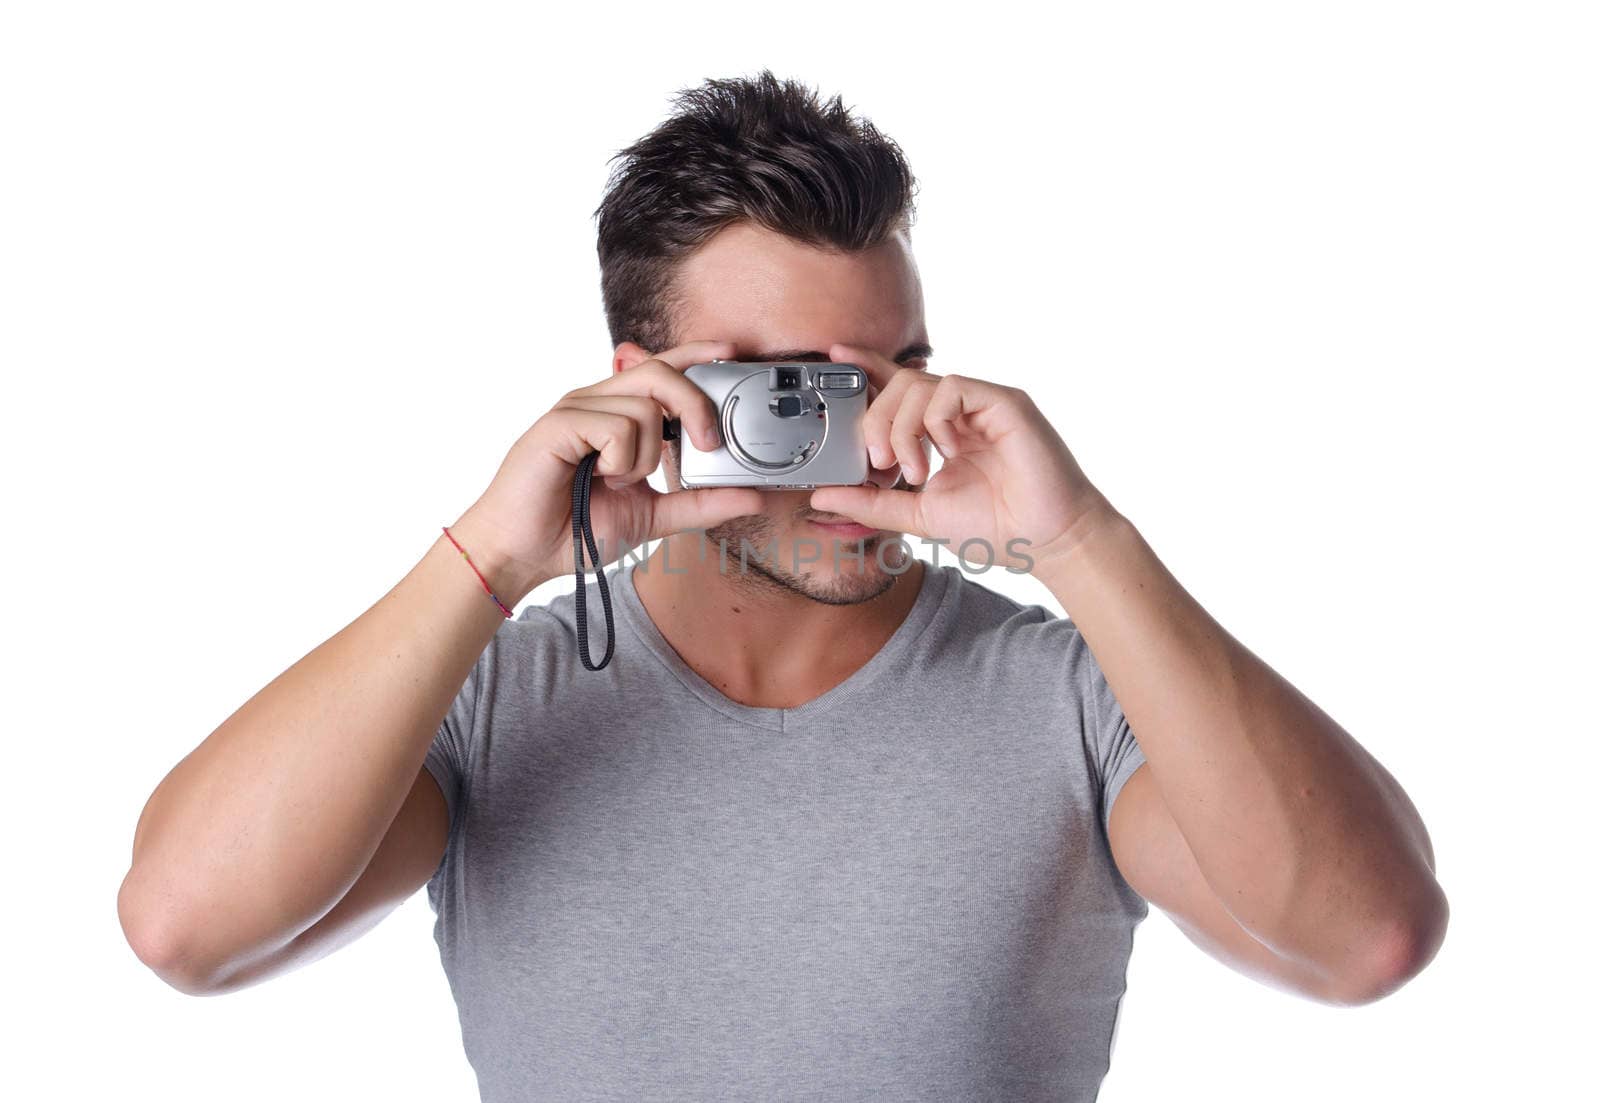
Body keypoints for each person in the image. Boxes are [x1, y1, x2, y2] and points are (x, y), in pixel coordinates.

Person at [118, 70, 1448, 1101]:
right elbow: (184, 929)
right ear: (641, 381)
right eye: (780, 392)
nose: (848, 439)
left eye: (883, 374)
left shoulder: (1071, 704)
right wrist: (489, 558)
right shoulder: (492, 699)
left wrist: (1080, 542)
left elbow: (1369, 942)